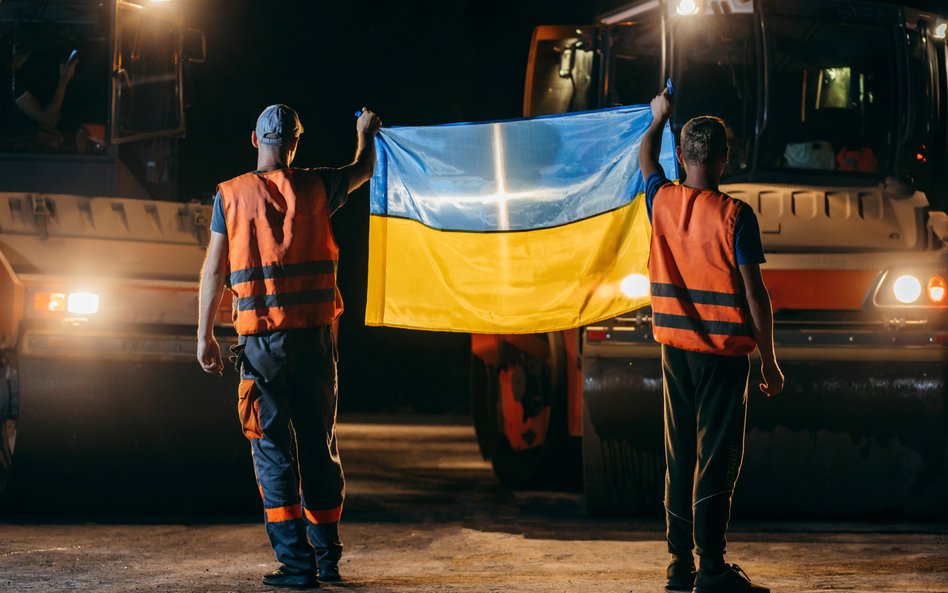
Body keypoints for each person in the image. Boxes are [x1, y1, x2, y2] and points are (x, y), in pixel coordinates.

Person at [197, 104, 381, 589]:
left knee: (274, 451)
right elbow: (364, 168)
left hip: (261, 348)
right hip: (316, 344)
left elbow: (214, 270)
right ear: (295, 144)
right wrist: (364, 132)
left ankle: (296, 566)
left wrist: (205, 336)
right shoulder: (318, 187)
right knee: (319, 445)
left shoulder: (229, 196)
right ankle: (327, 558)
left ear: (255, 141)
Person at [638, 87, 784, 593]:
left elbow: (644, 155)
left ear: (681, 156)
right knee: (716, 457)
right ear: (725, 157)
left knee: (678, 455)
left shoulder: (661, 198)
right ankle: (714, 569)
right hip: (723, 356)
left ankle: (679, 566)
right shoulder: (736, 216)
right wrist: (769, 360)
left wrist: (657, 118)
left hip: (673, 351)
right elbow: (756, 296)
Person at [1, 33, 78, 147]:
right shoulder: (8, 80)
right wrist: (64, 79)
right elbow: (46, 118)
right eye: (26, 54)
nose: (26, 58)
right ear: (21, 55)